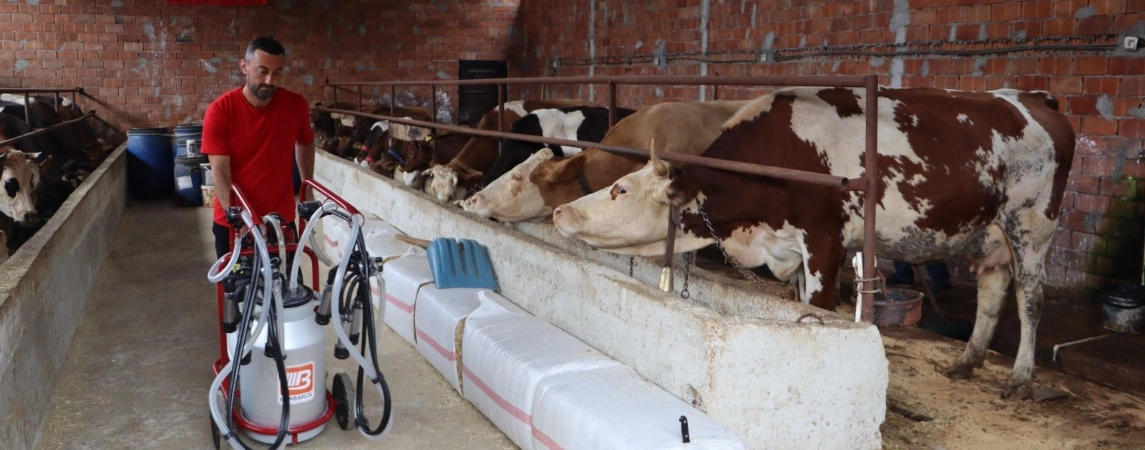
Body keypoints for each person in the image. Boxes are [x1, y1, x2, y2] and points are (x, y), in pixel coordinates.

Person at [202, 35, 315, 259]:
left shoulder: (295, 106)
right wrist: (240, 219)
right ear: (244, 66)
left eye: (277, 73)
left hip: (280, 219)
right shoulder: (221, 111)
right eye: (262, 71)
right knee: (239, 281)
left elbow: (305, 141)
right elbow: (220, 172)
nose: (269, 80)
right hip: (235, 223)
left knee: (288, 279)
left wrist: (307, 187)